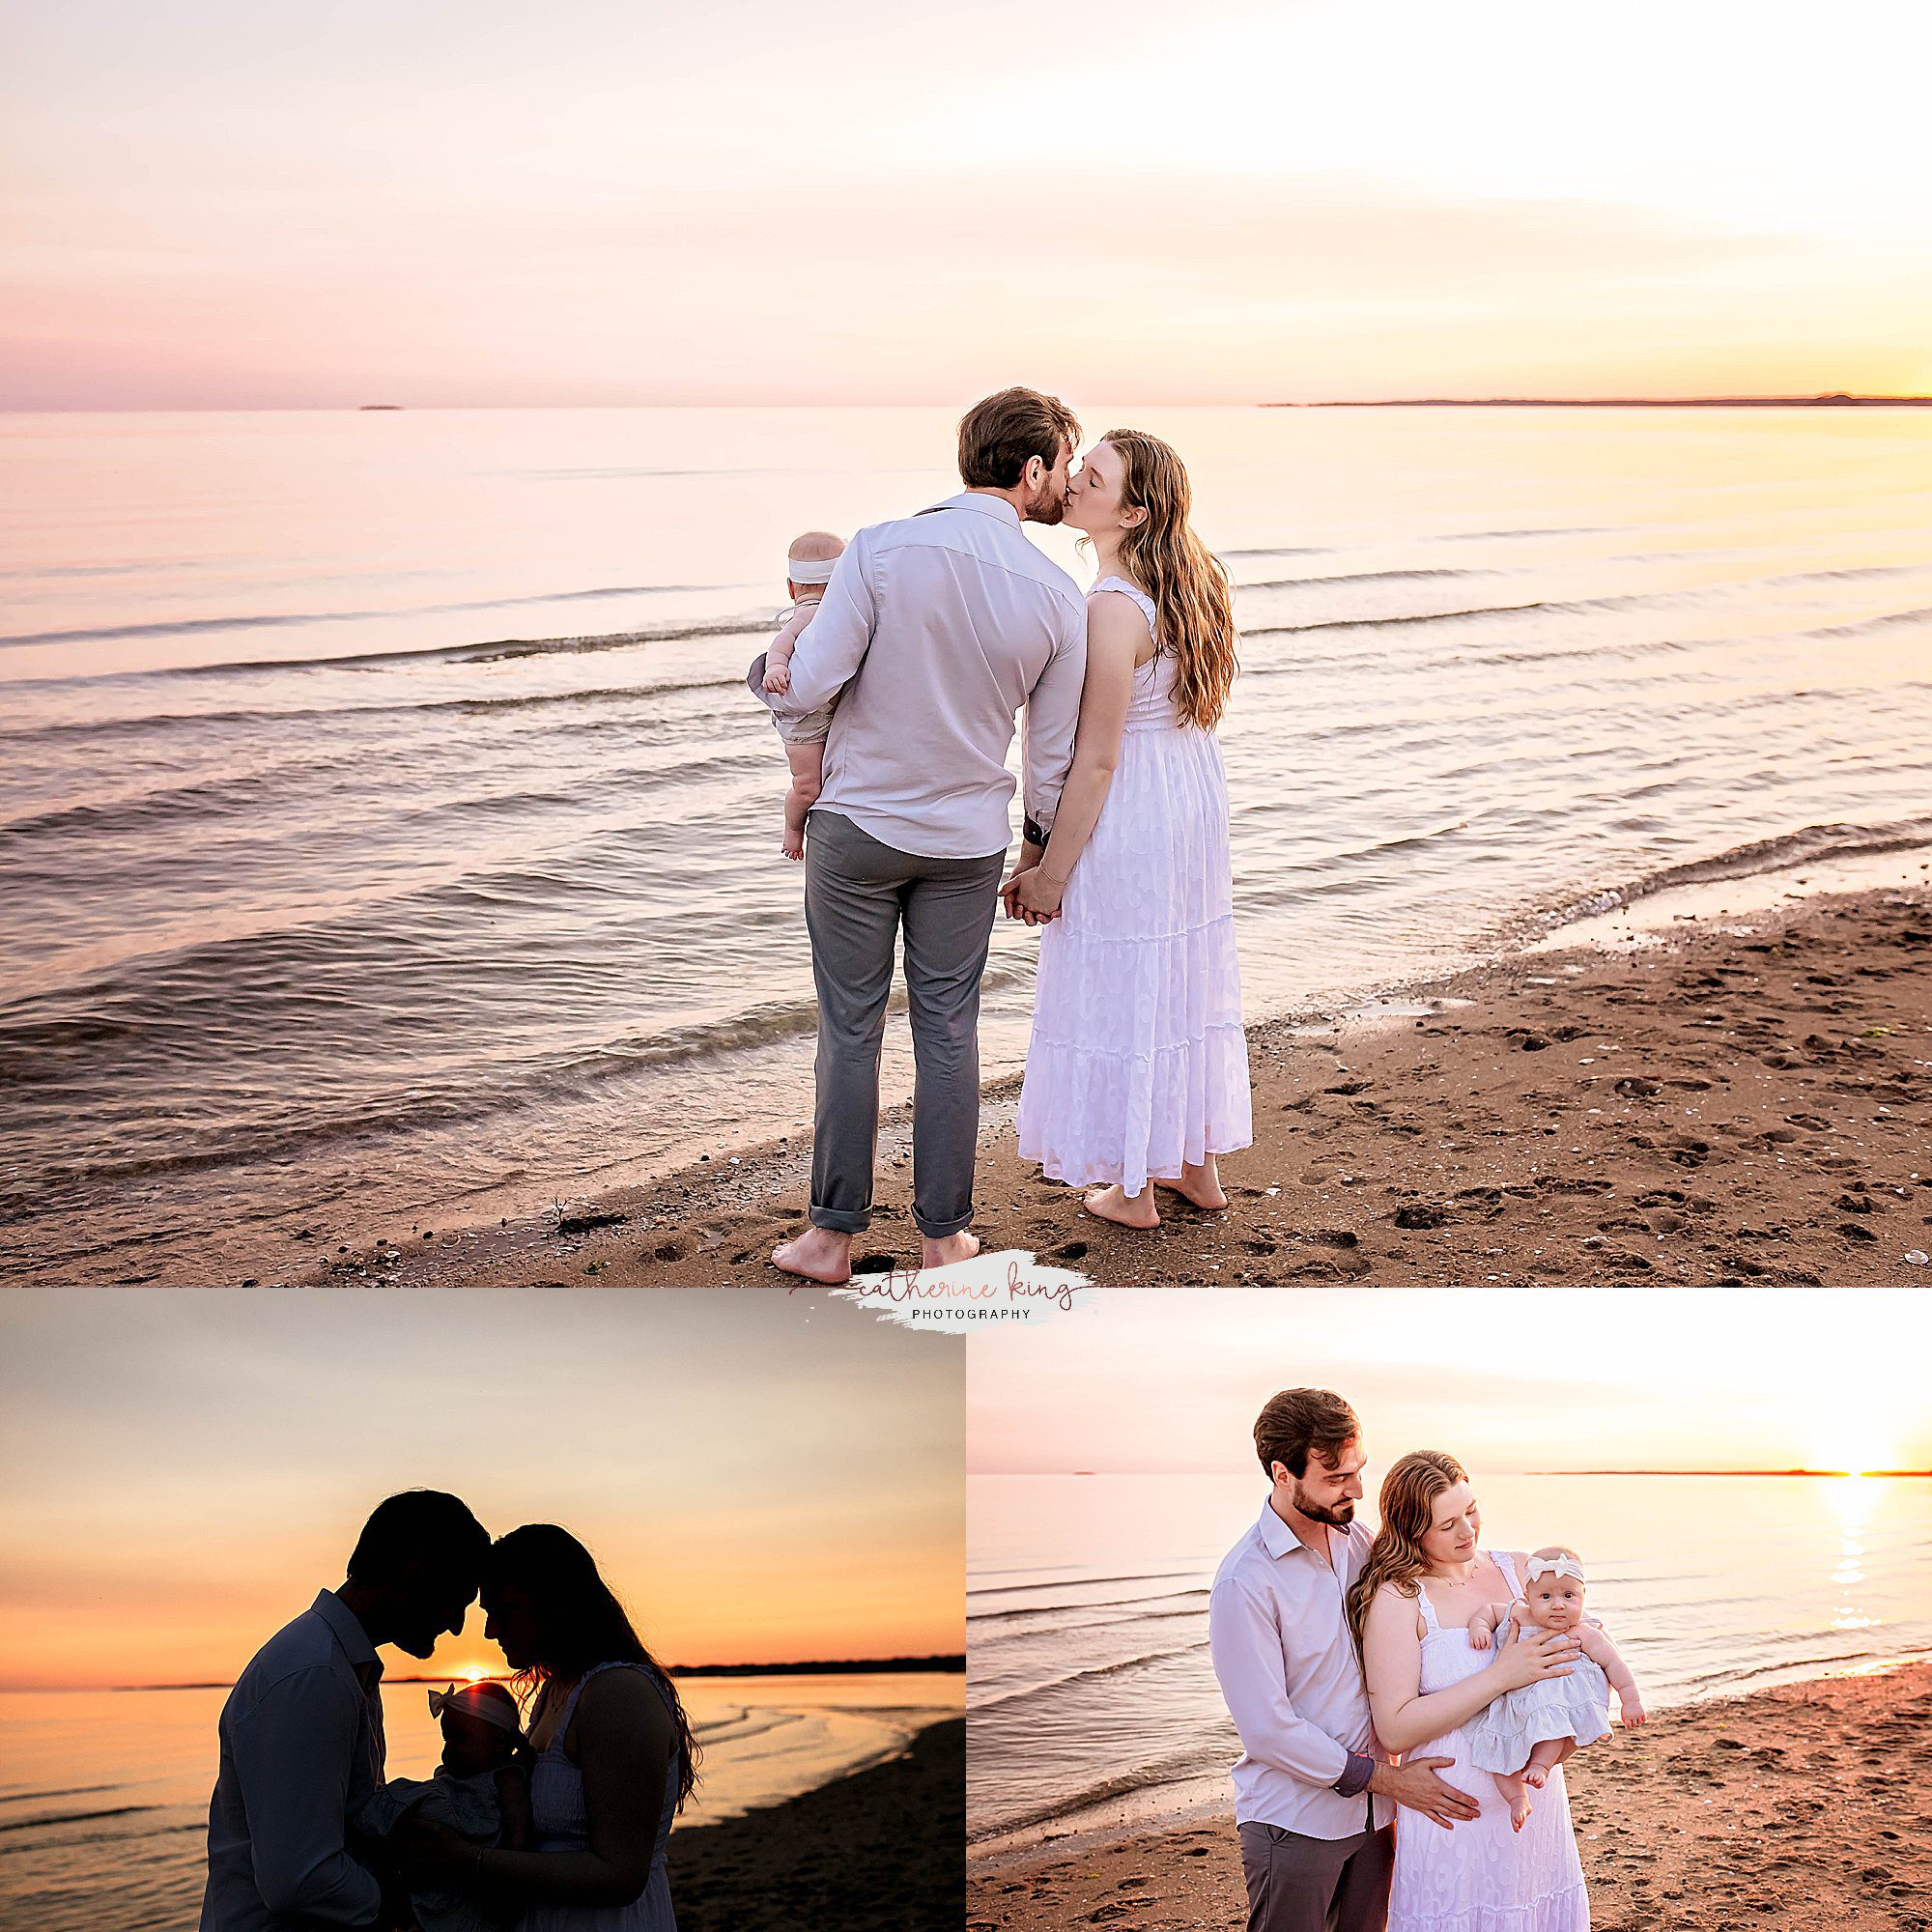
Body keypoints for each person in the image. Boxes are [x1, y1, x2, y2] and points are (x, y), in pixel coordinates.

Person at [749, 386, 1089, 1283]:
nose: (1064, 487)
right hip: (967, 840)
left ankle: (829, 1240)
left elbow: (814, 680)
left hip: (858, 827)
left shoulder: (880, 548)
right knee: (948, 1028)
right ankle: (945, 1240)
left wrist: (768, 668)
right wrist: (1038, 853)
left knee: (849, 1031)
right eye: (1063, 468)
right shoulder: (1059, 595)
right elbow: (1050, 756)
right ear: (1032, 469)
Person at [1007, 429, 1251, 1229]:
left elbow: (1098, 759)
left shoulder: (1111, 608)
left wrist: (1050, 871)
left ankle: (1135, 1189)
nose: (1073, 479)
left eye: (1094, 475)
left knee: (1129, 984)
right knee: (1178, 971)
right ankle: (1195, 1165)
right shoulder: (1192, 580)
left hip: (1138, 804)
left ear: (1134, 509)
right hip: (1188, 791)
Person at [1208, 1391, 1531, 1932]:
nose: (1357, 1491)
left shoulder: (1361, 1543)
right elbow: (1268, 1730)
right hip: (1296, 1823)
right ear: (1281, 1474)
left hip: (1379, 1819)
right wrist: (1389, 1780)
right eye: (1336, 1479)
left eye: (1358, 1471)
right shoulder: (1246, 1582)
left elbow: (1444, 1579)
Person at [200, 1489, 492, 1932]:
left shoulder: (341, 1666)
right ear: (416, 1573)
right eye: (456, 1600)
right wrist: (412, 1911)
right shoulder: (315, 1674)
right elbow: (300, 1878)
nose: (456, 1624)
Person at [412, 1523, 697, 1932]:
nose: (491, 1631)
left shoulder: (618, 1694)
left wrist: (466, 1860)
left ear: (557, 1604)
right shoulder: (554, 1692)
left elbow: (621, 1876)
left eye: (504, 1610)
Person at [1350, 1454, 1590, 1932]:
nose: (1468, 1531)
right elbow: (1395, 1729)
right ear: (1413, 1530)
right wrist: (1501, 1675)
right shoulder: (1399, 1597)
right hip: (1453, 1810)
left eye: (1471, 1510)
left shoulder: (1521, 1569)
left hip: (1532, 1799)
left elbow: (1578, 1652)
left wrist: (1568, 1731)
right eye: (1447, 1524)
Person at [1464, 1546, 1645, 1829]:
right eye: (1546, 1597)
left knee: (1554, 1727)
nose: (1558, 1605)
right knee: (1494, 1747)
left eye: (1568, 1596)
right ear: (1528, 1598)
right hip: (1513, 1701)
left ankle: (1541, 1766)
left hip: (1552, 1702)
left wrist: (1630, 1700)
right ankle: (1516, 1798)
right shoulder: (1519, 1614)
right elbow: (1487, 1611)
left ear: (1584, 1597)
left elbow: (1614, 1663)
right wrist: (1480, 1628)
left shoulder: (1582, 1633)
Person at [355, 1681, 533, 1932]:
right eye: (445, 1739)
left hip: (474, 1838)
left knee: (407, 1799)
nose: (446, 1751)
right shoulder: (454, 1774)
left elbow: (519, 1831)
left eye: (458, 1738)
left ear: (499, 1742)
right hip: (445, 1851)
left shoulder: (506, 1777)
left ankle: (361, 1821)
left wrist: (508, 1874)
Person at [759, 530, 847, 860]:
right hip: (804, 723)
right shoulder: (811, 613)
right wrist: (776, 669)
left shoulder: (838, 613)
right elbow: (780, 646)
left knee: (824, 778)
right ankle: (793, 830)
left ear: (790, 586)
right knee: (808, 784)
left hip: (822, 712)